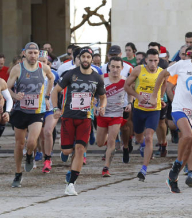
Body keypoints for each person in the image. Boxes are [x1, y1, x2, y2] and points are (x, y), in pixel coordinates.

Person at [149, 37, 192, 193]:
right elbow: (162, 75)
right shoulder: (181, 65)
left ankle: (172, 178)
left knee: (190, 146)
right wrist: (155, 95)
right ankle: (176, 167)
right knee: (186, 135)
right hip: (180, 108)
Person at [51, 47, 107, 196]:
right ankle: (64, 153)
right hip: (69, 117)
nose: (86, 60)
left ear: (92, 59)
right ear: (79, 59)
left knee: (80, 149)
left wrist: (102, 107)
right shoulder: (71, 74)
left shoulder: (97, 77)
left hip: (85, 118)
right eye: (84, 57)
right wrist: (56, 108)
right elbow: (55, 91)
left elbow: (103, 97)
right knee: (67, 150)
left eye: (89, 57)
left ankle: (71, 184)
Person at [7, 42, 54, 188]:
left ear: (38, 54)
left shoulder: (44, 68)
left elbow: (51, 78)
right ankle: (18, 172)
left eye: (35, 53)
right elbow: (7, 88)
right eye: (30, 53)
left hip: (37, 111)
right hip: (20, 110)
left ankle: (29, 156)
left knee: (32, 142)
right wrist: (15, 96)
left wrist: (46, 96)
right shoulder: (17, 69)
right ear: (24, 53)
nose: (33, 55)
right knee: (19, 143)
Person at [124, 49, 168, 182]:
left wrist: (160, 98)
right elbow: (126, 86)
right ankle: (139, 143)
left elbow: (164, 84)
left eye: (155, 61)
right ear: (146, 60)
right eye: (150, 60)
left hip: (154, 110)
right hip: (139, 108)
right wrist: (137, 96)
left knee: (149, 137)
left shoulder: (162, 72)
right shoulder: (138, 70)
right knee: (139, 138)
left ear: (158, 61)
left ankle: (144, 169)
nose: (153, 63)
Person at [96, 56, 131, 177]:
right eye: (113, 67)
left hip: (117, 115)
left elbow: (130, 93)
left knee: (112, 141)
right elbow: (94, 94)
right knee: (100, 143)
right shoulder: (102, 79)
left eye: (117, 67)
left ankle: (106, 168)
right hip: (102, 114)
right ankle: (106, 138)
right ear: (108, 67)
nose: (115, 69)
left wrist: (130, 103)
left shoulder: (125, 81)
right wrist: (95, 106)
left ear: (122, 68)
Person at [37, 51, 60, 174]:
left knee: (48, 131)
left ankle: (48, 159)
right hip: (37, 109)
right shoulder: (32, 73)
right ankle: (40, 153)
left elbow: (62, 90)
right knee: (40, 136)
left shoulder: (54, 74)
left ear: (49, 63)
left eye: (44, 62)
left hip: (51, 108)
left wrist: (60, 107)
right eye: (39, 61)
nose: (41, 64)